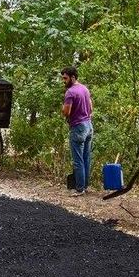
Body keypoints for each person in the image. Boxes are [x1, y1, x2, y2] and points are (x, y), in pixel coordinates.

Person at [61, 66, 94, 196]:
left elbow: (66, 112)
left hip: (78, 127)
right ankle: (85, 186)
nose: (63, 81)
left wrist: (62, 109)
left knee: (78, 160)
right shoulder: (85, 89)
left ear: (73, 77)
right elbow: (90, 108)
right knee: (86, 158)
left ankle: (80, 189)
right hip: (88, 126)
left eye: (65, 78)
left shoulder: (70, 92)